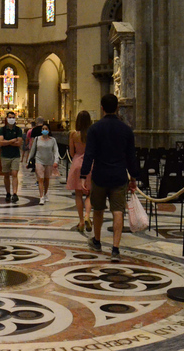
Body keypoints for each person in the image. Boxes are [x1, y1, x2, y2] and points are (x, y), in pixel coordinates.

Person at [81, 93, 140, 262]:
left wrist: (84, 175)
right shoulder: (126, 130)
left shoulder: (94, 129)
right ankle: (115, 249)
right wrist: (134, 177)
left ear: (101, 108)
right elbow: (131, 156)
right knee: (118, 211)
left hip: (100, 175)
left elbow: (89, 154)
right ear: (117, 108)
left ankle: (97, 241)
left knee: (98, 210)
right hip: (119, 176)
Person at [67, 110, 92, 232]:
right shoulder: (92, 134)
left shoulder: (73, 134)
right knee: (89, 193)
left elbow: (71, 152)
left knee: (78, 194)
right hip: (90, 164)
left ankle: (81, 221)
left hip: (77, 163)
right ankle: (87, 215)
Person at [27, 122, 59, 205]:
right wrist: (28, 161)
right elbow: (32, 151)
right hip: (39, 160)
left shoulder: (53, 140)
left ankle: (45, 194)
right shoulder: (37, 139)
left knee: (46, 179)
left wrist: (56, 161)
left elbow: (56, 151)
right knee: (40, 179)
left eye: (46, 129)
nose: (44, 130)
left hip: (49, 161)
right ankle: (41, 197)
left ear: (49, 130)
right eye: (43, 129)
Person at [0, 111, 23, 203]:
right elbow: (1, 142)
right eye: (10, 117)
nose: (11, 119)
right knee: (6, 175)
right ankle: (8, 193)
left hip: (15, 155)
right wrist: (12, 140)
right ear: (7, 118)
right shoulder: (2, 129)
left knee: (14, 174)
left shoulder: (18, 130)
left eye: (13, 117)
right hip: (5, 155)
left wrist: (7, 142)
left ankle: (15, 193)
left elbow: (19, 143)